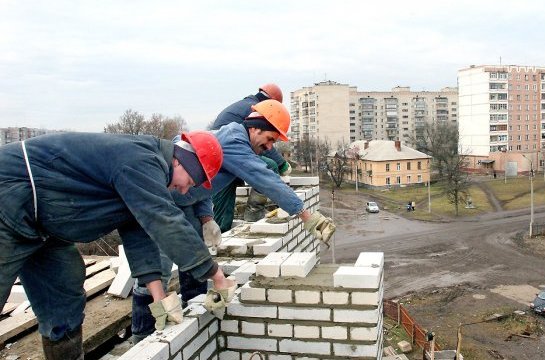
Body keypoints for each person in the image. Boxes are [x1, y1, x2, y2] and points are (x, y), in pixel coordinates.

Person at [0, 131, 234, 360]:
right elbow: (165, 221)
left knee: (63, 299)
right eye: (190, 182)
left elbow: (138, 233)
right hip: (9, 199)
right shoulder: (141, 161)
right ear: (182, 162)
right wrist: (215, 274)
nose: (184, 191)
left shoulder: (148, 172)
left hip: (43, 227)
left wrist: (159, 295)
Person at [130, 99, 336, 341]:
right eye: (269, 139)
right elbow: (264, 179)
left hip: (184, 202)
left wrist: (206, 217)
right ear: (255, 128)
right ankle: (141, 336)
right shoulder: (234, 142)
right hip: (160, 204)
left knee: (195, 257)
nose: (270, 147)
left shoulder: (231, 140)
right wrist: (306, 215)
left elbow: (202, 183)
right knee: (158, 268)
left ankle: (193, 313)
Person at [210, 83, 292, 229]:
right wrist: (281, 163)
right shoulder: (256, 110)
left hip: (218, 154)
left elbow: (262, 141)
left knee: (226, 190)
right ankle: (254, 212)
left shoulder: (246, 104)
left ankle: (222, 232)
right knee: (269, 166)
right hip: (227, 151)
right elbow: (263, 142)